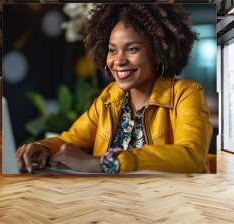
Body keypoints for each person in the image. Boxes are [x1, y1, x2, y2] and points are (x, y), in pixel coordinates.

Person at [16, 4, 213, 174]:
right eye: (112, 50)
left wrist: (104, 164)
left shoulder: (186, 93)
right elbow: (71, 140)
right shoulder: (110, 97)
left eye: (132, 49)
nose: (118, 60)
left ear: (158, 54)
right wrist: (43, 148)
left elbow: (191, 156)